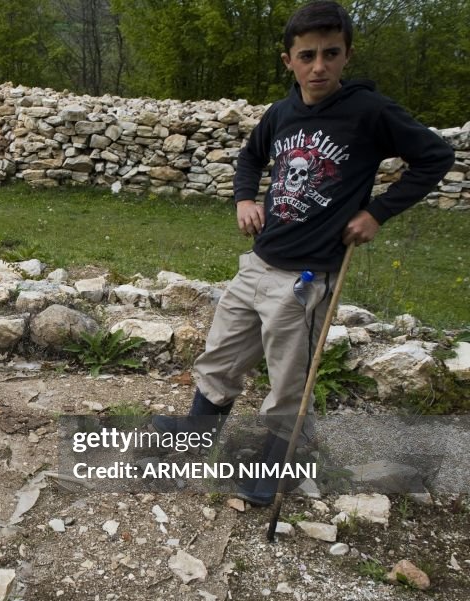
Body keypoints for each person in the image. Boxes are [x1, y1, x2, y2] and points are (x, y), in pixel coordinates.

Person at [152, 0, 454, 505]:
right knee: (221, 354)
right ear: (288, 59)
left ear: (347, 56)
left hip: (307, 277)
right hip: (259, 262)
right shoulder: (281, 112)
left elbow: (435, 156)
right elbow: (250, 157)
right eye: (307, 55)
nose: (319, 67)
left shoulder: (369, 112)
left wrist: (377, 212)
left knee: (290, 378)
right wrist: (246, 198)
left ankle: (280, 461)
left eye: (330, 54)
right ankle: (196, 434)